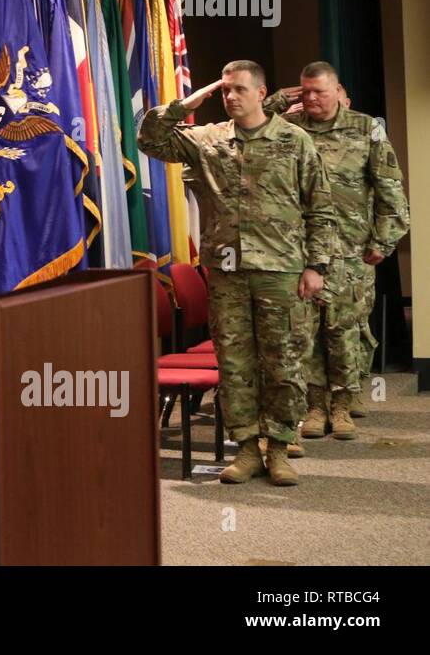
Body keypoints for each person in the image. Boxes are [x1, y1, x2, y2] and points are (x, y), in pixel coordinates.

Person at [138, 60, 335, 486]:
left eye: (239, 90)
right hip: (227, 273)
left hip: (281, 270)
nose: (230, 97)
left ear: (262, 93)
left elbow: (320, 208)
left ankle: (279, 448)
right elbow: (149, 140)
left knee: (283, 361)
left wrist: (317, 266)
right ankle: (246, 448)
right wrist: (182, 105)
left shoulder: (293, 140)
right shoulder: (208, 139)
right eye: (225, 90)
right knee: (235, 364)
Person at [264, 63, 408, 438]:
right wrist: (279, 100)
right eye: (305, 91)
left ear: (337, 90)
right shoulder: (290, 129)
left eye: (320, 91)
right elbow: (248, 126)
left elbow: (390, 186)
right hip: (301, 251)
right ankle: (315, 406)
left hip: (351, 250)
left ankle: (343, 405)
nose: (312, 98)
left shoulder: (366, 128)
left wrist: (384, 240)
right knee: (306, 330)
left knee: (345, 329)